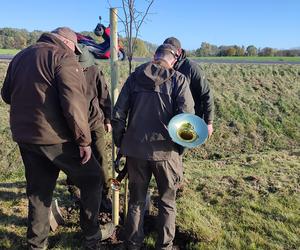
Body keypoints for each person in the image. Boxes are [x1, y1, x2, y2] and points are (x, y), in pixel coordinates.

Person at [1, 27, 114, 250]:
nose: (75, 52)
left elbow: (6, 95)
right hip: (56, 138)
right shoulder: (63, 56)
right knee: (92, 177)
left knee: (38, 191)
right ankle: (92, 234)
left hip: (26, 137)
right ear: (67, 43)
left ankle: (36, 244)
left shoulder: (21, 56)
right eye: (75, 48)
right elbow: (73, 104)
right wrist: (84, 141)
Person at [111, 44, 194, 250]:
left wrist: (122, 142)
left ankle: (132, 244)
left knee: (136, 201)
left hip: (136, 151)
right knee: (167, 201)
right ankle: (164, 246)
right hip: (167, 153)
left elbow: (118, 114)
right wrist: (180, 148)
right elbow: (187, 121)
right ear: (173, 60)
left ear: (154, 56)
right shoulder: (179, 80)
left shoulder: (134, 78)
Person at [66, 44, 112, 212]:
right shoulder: (65, 71)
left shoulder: (95, 71)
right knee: (75, 159)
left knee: (100, 158)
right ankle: (75, 191)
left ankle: (105, 194)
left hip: (94, 123)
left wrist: (108, 118)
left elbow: (104, 96)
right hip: (73, 125)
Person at [163, 37, 214, 136]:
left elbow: (206, 94)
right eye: (165, 52)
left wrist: (209, 122)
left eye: (171, 52)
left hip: (189, 116)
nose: (168, 55)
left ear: (179, 51)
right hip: (169, 115)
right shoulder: (163, 67)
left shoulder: (192, 68)